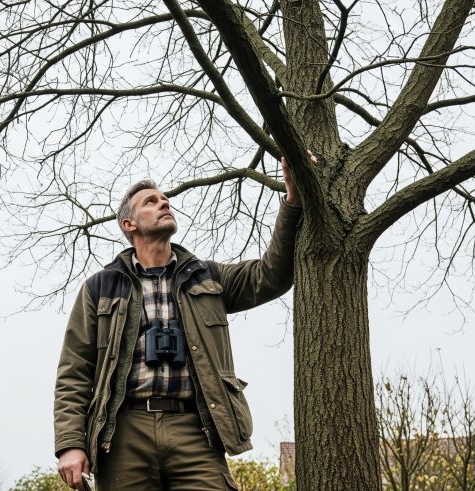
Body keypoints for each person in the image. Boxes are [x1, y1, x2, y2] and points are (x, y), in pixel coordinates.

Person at [54, 153, 312, 490]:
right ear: (128, 224)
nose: (164, 204)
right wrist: (70, 444)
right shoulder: (100, 288)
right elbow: (74, 372)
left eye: (165, 200)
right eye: (151, 202)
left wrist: (293, 200)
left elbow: (272, 276)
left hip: (196, 429)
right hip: (123, 433)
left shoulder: (207, 277)